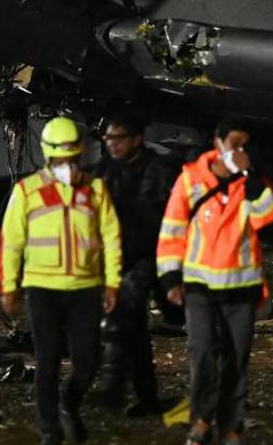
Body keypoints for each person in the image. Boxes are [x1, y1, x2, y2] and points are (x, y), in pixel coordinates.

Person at [157, 121, 273, 445]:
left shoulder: (251, 183)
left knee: (235, 360)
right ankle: (201, 420)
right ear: (218, 142)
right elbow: (171, 230)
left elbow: (270, 214)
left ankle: (231, 427)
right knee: (201, 353)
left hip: (241, 286)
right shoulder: (191, 179)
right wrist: (171, 278)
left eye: (245, 145)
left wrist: (250, 177)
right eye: (235, 144)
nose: (240, 151)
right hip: (199, 284)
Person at [0, 116, 122, 445]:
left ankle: (69, 403)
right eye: (61, 155)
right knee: (48, 361)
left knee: (88, 362)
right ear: (49, 154)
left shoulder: (95, 191)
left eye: (72, 154)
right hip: (43, 289)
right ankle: (49, 430)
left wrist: (112, 283)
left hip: (85, 287)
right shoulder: (26, 191)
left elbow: (111, 238)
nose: (67, 161)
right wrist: (9, 286)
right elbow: (12, 241)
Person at [89, 113, 176, 415]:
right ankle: (146, 397)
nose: (111, 144)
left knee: (121, 314)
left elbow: (169, 218)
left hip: (151, 255)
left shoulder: (158, 169)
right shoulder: (104, 171)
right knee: (134, 328)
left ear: (136, 139)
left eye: (118, 138)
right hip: (117, 257)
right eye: (108, 139)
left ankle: (112, 386)